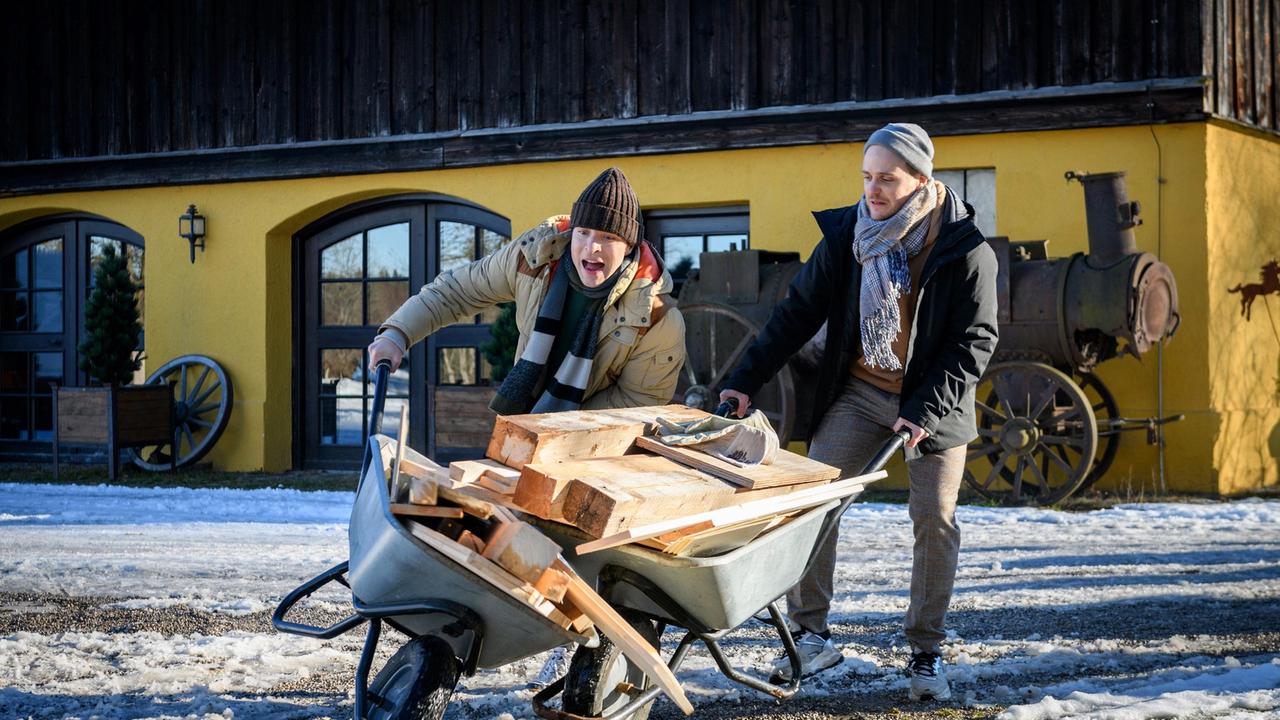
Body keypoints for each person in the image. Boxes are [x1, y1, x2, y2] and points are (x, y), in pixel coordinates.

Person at [719, 123, 998, 701]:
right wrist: (745, 380)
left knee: (934, 520)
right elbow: (796, 313)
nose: (873, 190)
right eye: (867, 177)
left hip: (934, 404)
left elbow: (974, 342)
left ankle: (925, 652)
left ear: (920, 180)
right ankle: (810, 636)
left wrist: (924, 408)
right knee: (814, 502)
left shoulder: (965, 249)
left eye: (887, 179)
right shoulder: (850, 234)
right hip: (860, 390)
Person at [368, 167, 686, 415]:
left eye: (607, 237)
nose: (592, 247)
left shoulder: (656, 316)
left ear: (629, 245)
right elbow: (457, 291)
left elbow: (637, 405)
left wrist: (551, 429)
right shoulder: (534, 258)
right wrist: (397, 334)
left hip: (598, 453)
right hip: (521, 423)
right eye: (584, 232)